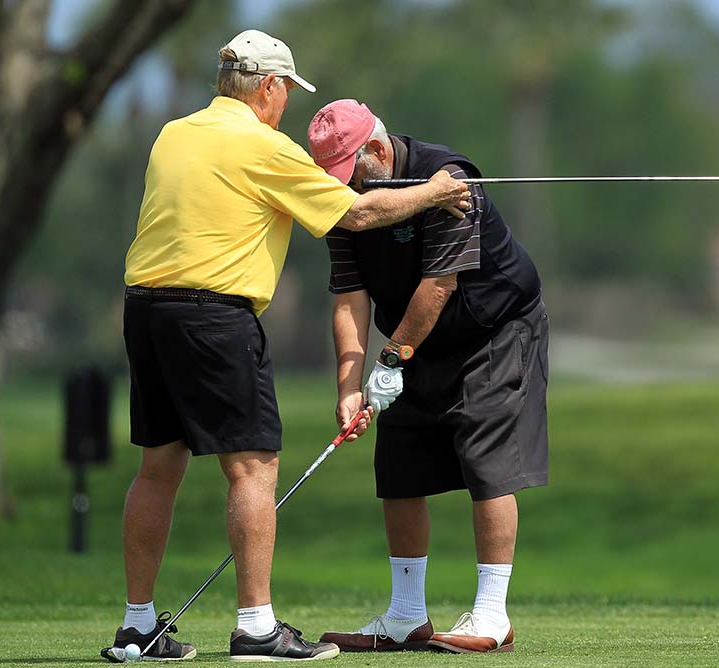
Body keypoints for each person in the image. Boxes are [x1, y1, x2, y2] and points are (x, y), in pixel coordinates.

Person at [106, 32, 470, 663]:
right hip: (215, 317)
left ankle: (137, 625)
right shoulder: (265, 147)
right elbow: (358, 214)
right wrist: (435, 193)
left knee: (157, 468)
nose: (285, 108)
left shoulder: (172, 133)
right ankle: (255, 627)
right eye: (285, 94)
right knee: (252, 468)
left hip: (146, 311)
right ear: (269, 87)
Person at [307, 99, 548, 654]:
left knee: (486, 457)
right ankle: (406, 615)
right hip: (413, 337)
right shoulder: (343, 203)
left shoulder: (451, 182)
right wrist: (349, 384)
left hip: (493, 326)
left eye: (349, 173)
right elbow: (349, 297)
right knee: (399, 463)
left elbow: (438, 286)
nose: (345, 188)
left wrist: (390, 362)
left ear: (375, 149)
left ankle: (492, 614)